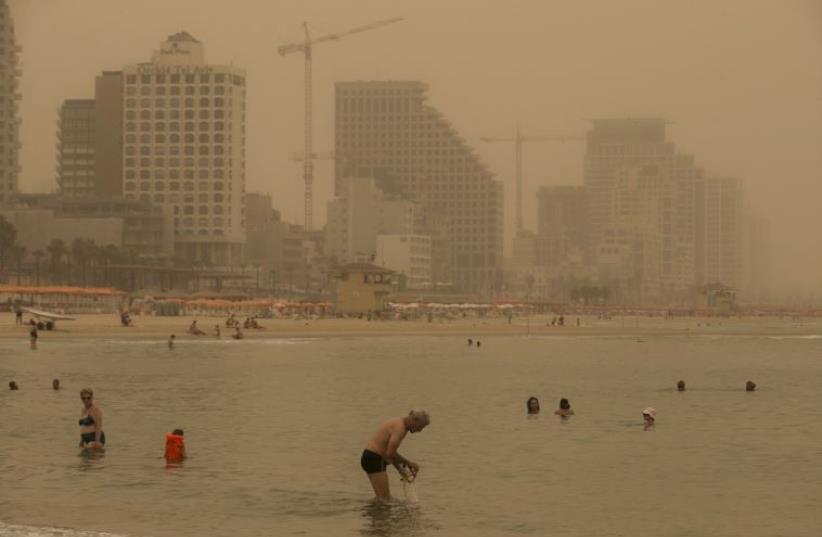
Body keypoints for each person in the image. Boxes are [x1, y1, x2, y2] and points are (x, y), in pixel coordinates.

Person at [361, 410, 430, 500]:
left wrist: (400, 469)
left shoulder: (399, 423)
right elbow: (390, 453)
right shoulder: (400, 428)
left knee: (382, 498)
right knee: (384, 498)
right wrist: (409, 463)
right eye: (420, 427)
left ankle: (370, 512)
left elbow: (389, 453)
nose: (420, 431)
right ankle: (370, 512)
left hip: (369, 457)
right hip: (375, 459)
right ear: (415, 420)